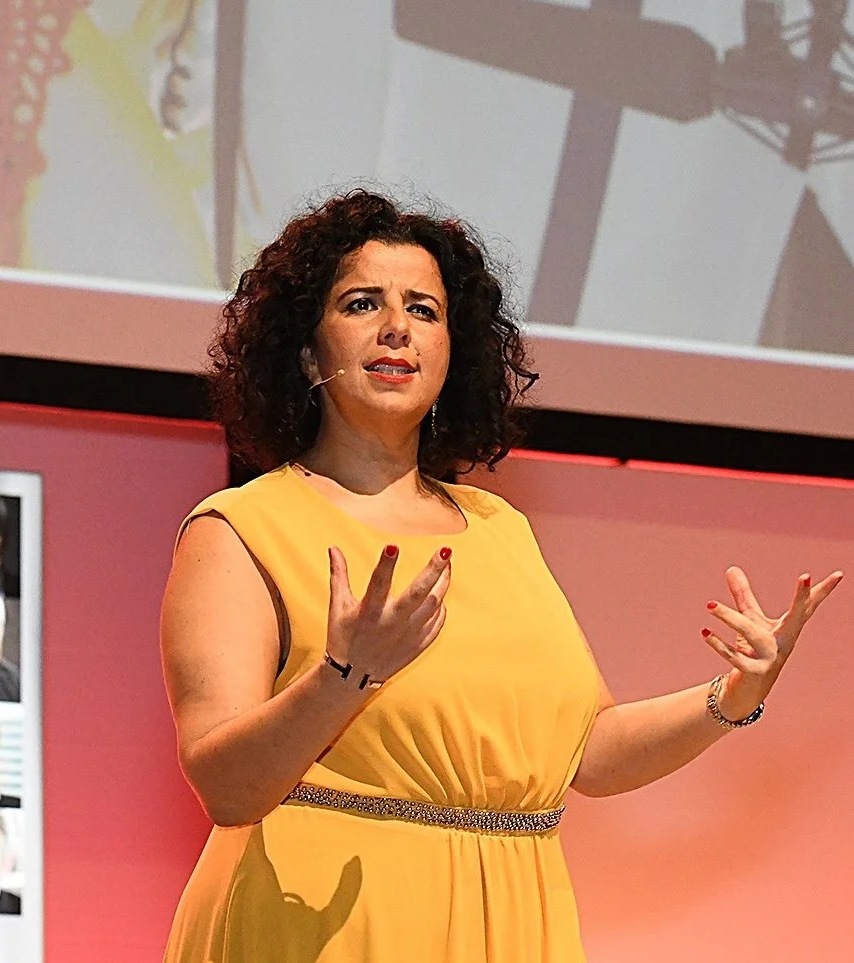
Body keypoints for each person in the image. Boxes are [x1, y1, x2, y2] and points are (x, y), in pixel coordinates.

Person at [159, 190, 843, 962]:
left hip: (510, 918)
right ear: (307, 353)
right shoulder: (238, 529)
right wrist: (343, 677)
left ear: (452, 354)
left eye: (423, 309)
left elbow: (589, 752)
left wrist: (733, 695)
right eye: (361, 303)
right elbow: (227, 787)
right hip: (321, 923)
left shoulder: (498, 528)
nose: (396, 327)